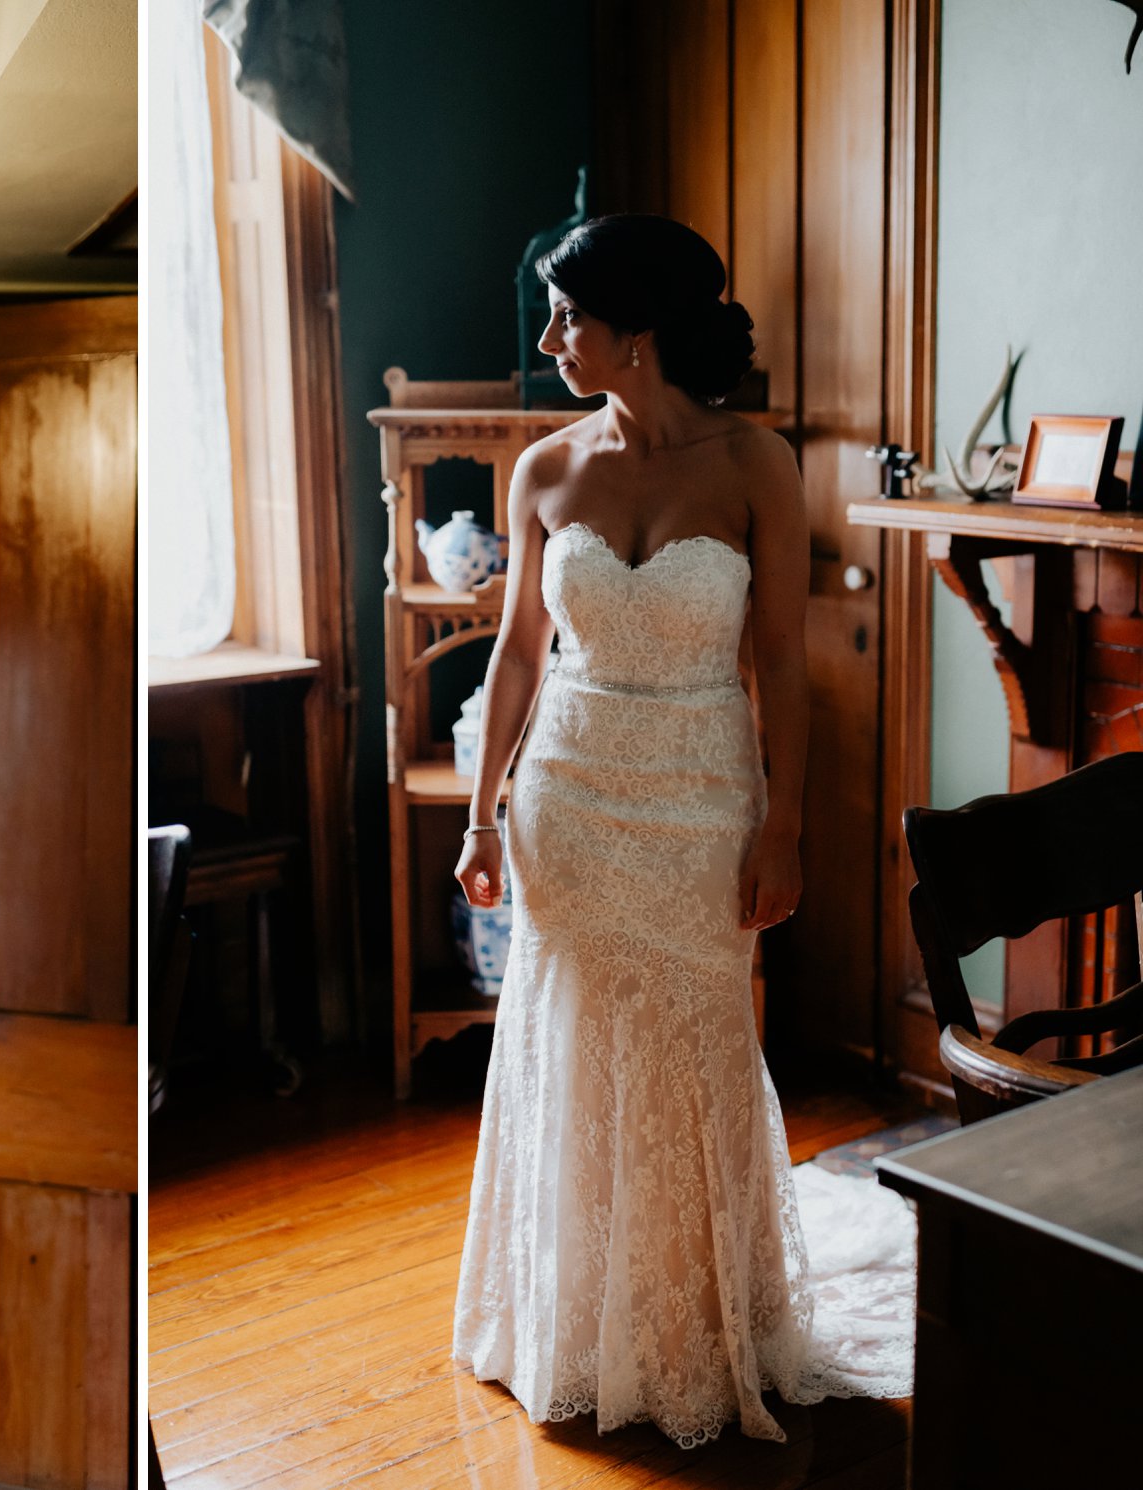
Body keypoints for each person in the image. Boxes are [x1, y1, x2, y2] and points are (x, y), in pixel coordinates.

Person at [448, 215, 913, 1447]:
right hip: (569, 792)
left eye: (568, 319)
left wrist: (784, 829)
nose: (549, 340)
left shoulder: (754, 463)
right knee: (573, 1038)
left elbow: (781, 668)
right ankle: (575, 1316)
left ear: (635, 334)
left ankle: (701, 1324)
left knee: (694, 1040)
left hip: (701, 795)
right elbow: (513, 657)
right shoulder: (542, 468)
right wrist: (483, 810)